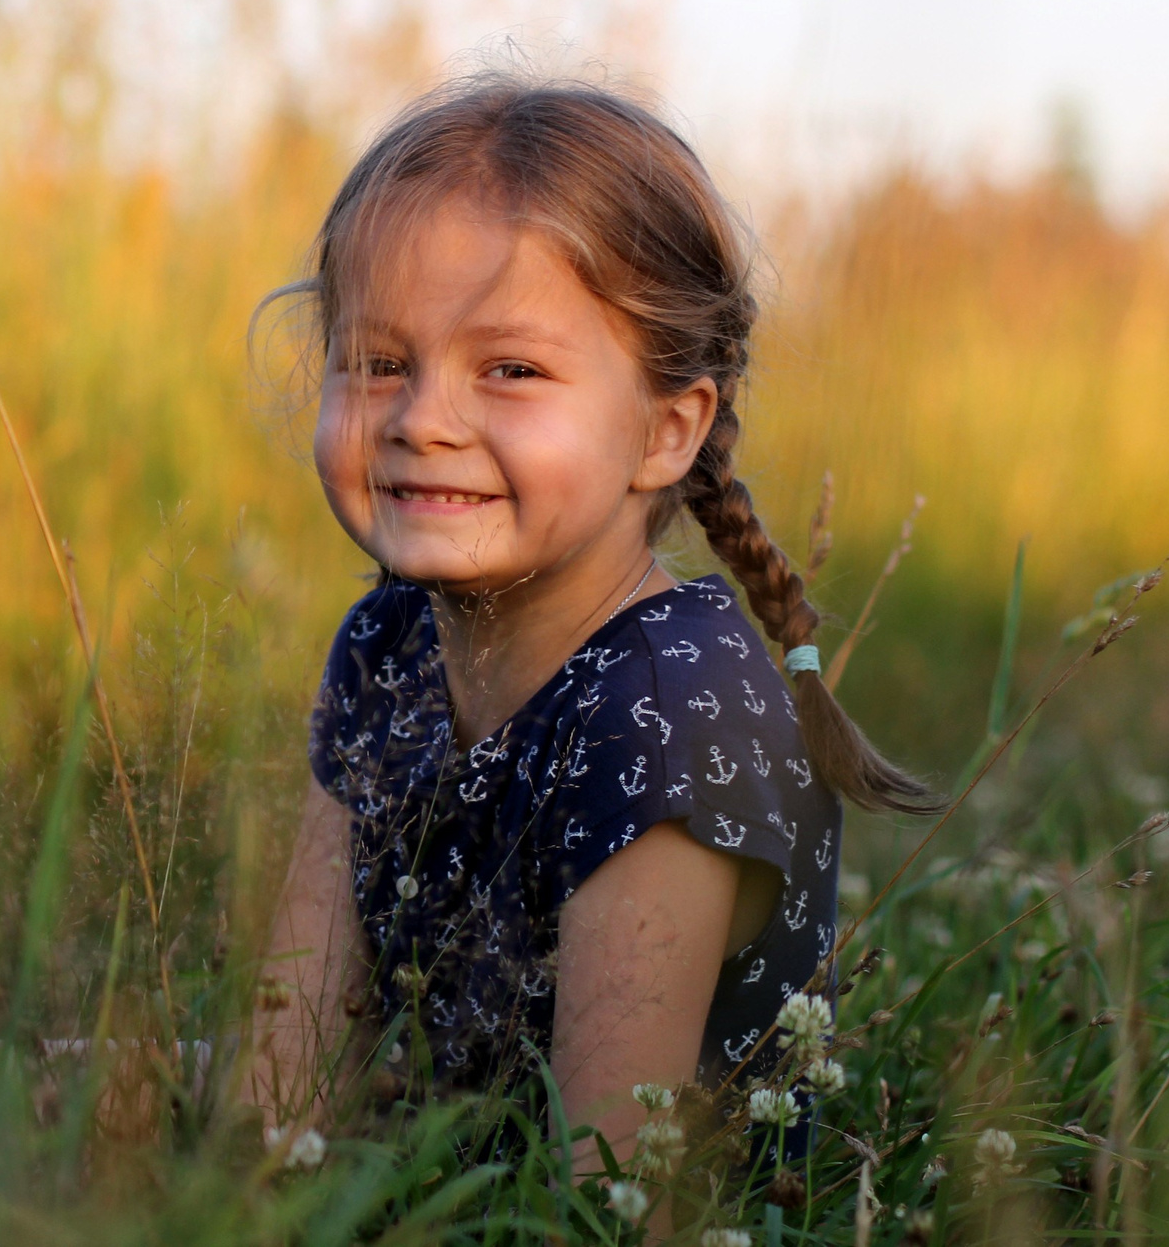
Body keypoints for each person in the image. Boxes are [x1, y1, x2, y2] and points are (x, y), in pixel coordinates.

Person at [247, 73, 936, 1161]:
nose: (423, 420)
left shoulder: (671, 709)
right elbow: (282, 1084)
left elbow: (605, 1186)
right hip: (412, 1147)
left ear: (666, 431)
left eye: (510, 370)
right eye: (379, 364)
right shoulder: (385, 645)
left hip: (571, 1194)